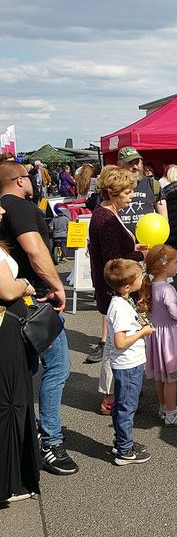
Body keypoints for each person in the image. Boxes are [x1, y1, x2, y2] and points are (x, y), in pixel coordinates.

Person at [0, 160, 78, 476]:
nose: (33, 180)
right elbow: (35, 251)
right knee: (57, 367)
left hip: (23, 303)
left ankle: (30, 434)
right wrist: (57, 285)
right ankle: (51, 442)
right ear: (19, 180)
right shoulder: (16, 206)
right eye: (30, 176)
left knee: (28, 368)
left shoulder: (5, 208)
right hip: (36, 302)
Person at [88, 166, 145, 414]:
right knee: (115, 347)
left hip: (114, 288)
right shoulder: (107, 219)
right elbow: (114, 261)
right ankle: (111, 397)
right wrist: (139, 253)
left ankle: (119, 392)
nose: (131, 196)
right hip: (114, 290)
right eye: (128, 192)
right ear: (113, 193)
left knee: (115, 344)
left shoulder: (106, 213)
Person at [0, 203, 40, 504]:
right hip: (5, 328)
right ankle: (9, 480)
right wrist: (25, 283)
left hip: (12, 324)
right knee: (10, 400)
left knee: (14, 397)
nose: (2, 211)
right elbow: (7, 290)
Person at [137, 244, 177, 426]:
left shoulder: (151, 286)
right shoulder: (167, 289)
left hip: (158, 337)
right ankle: (171, 414)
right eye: (175, 263)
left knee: (161, 376)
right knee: (171, 377)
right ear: (164, 265)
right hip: (170, 339)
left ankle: (164, 406)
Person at [103, 258, 155, 465]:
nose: (142, 279)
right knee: (127, 407)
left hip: (127, 364)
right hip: (128, 364)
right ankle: (125, 451)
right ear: (126, 286)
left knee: (122, 406)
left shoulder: (122, 301)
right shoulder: (120, 308)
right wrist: (143, 332)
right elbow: (120, 342)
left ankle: (122, 442)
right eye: (139, 277)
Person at [116, 147, 168, 235]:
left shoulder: (153, 185)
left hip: (149, 242)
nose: (135, 167)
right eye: (130, 163)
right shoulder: (112, 187)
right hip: (121, 244)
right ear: (119, 164)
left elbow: (164, 219)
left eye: (137, 162)